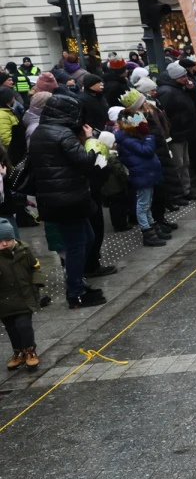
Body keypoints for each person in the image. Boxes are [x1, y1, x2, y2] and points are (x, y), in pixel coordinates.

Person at [28, 95, 105, 309]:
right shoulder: (62, 133)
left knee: (86, 239)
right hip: (67, 198)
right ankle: (75, 292)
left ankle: (78, 282)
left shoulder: (40, 132)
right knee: (77, 245)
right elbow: (86, 162)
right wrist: (91, 140)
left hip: (57, 196)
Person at [115, 108, 167, 248]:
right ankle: (147, 231)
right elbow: (147, 151)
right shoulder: (128, 139)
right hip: (142, 174)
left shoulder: (132, 136)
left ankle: (152, 226)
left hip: (146, 173)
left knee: (147, 202)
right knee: (143, 204)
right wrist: (149, 137)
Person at [0, 218, 45, 370]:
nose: (4, 244)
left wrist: (36, 283)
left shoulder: (24, 251)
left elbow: (35, 267)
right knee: (11, 328)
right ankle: (18, 352)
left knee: (24, 325)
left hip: (24, 296)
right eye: (0, 241)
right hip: (4, 301)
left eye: (7, 240)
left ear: (13, 238)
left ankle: (30, 350)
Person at [155, 64, 196, 201]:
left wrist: (191, 90)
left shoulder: (179, 88)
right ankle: (177, 193)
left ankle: (186, 190)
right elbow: (164, 115)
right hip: (176, 133)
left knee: (185, 162)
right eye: (183, 76)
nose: (187, 78)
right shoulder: (167, 92)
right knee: (178, 163)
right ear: (175, 77)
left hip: (184, 132)